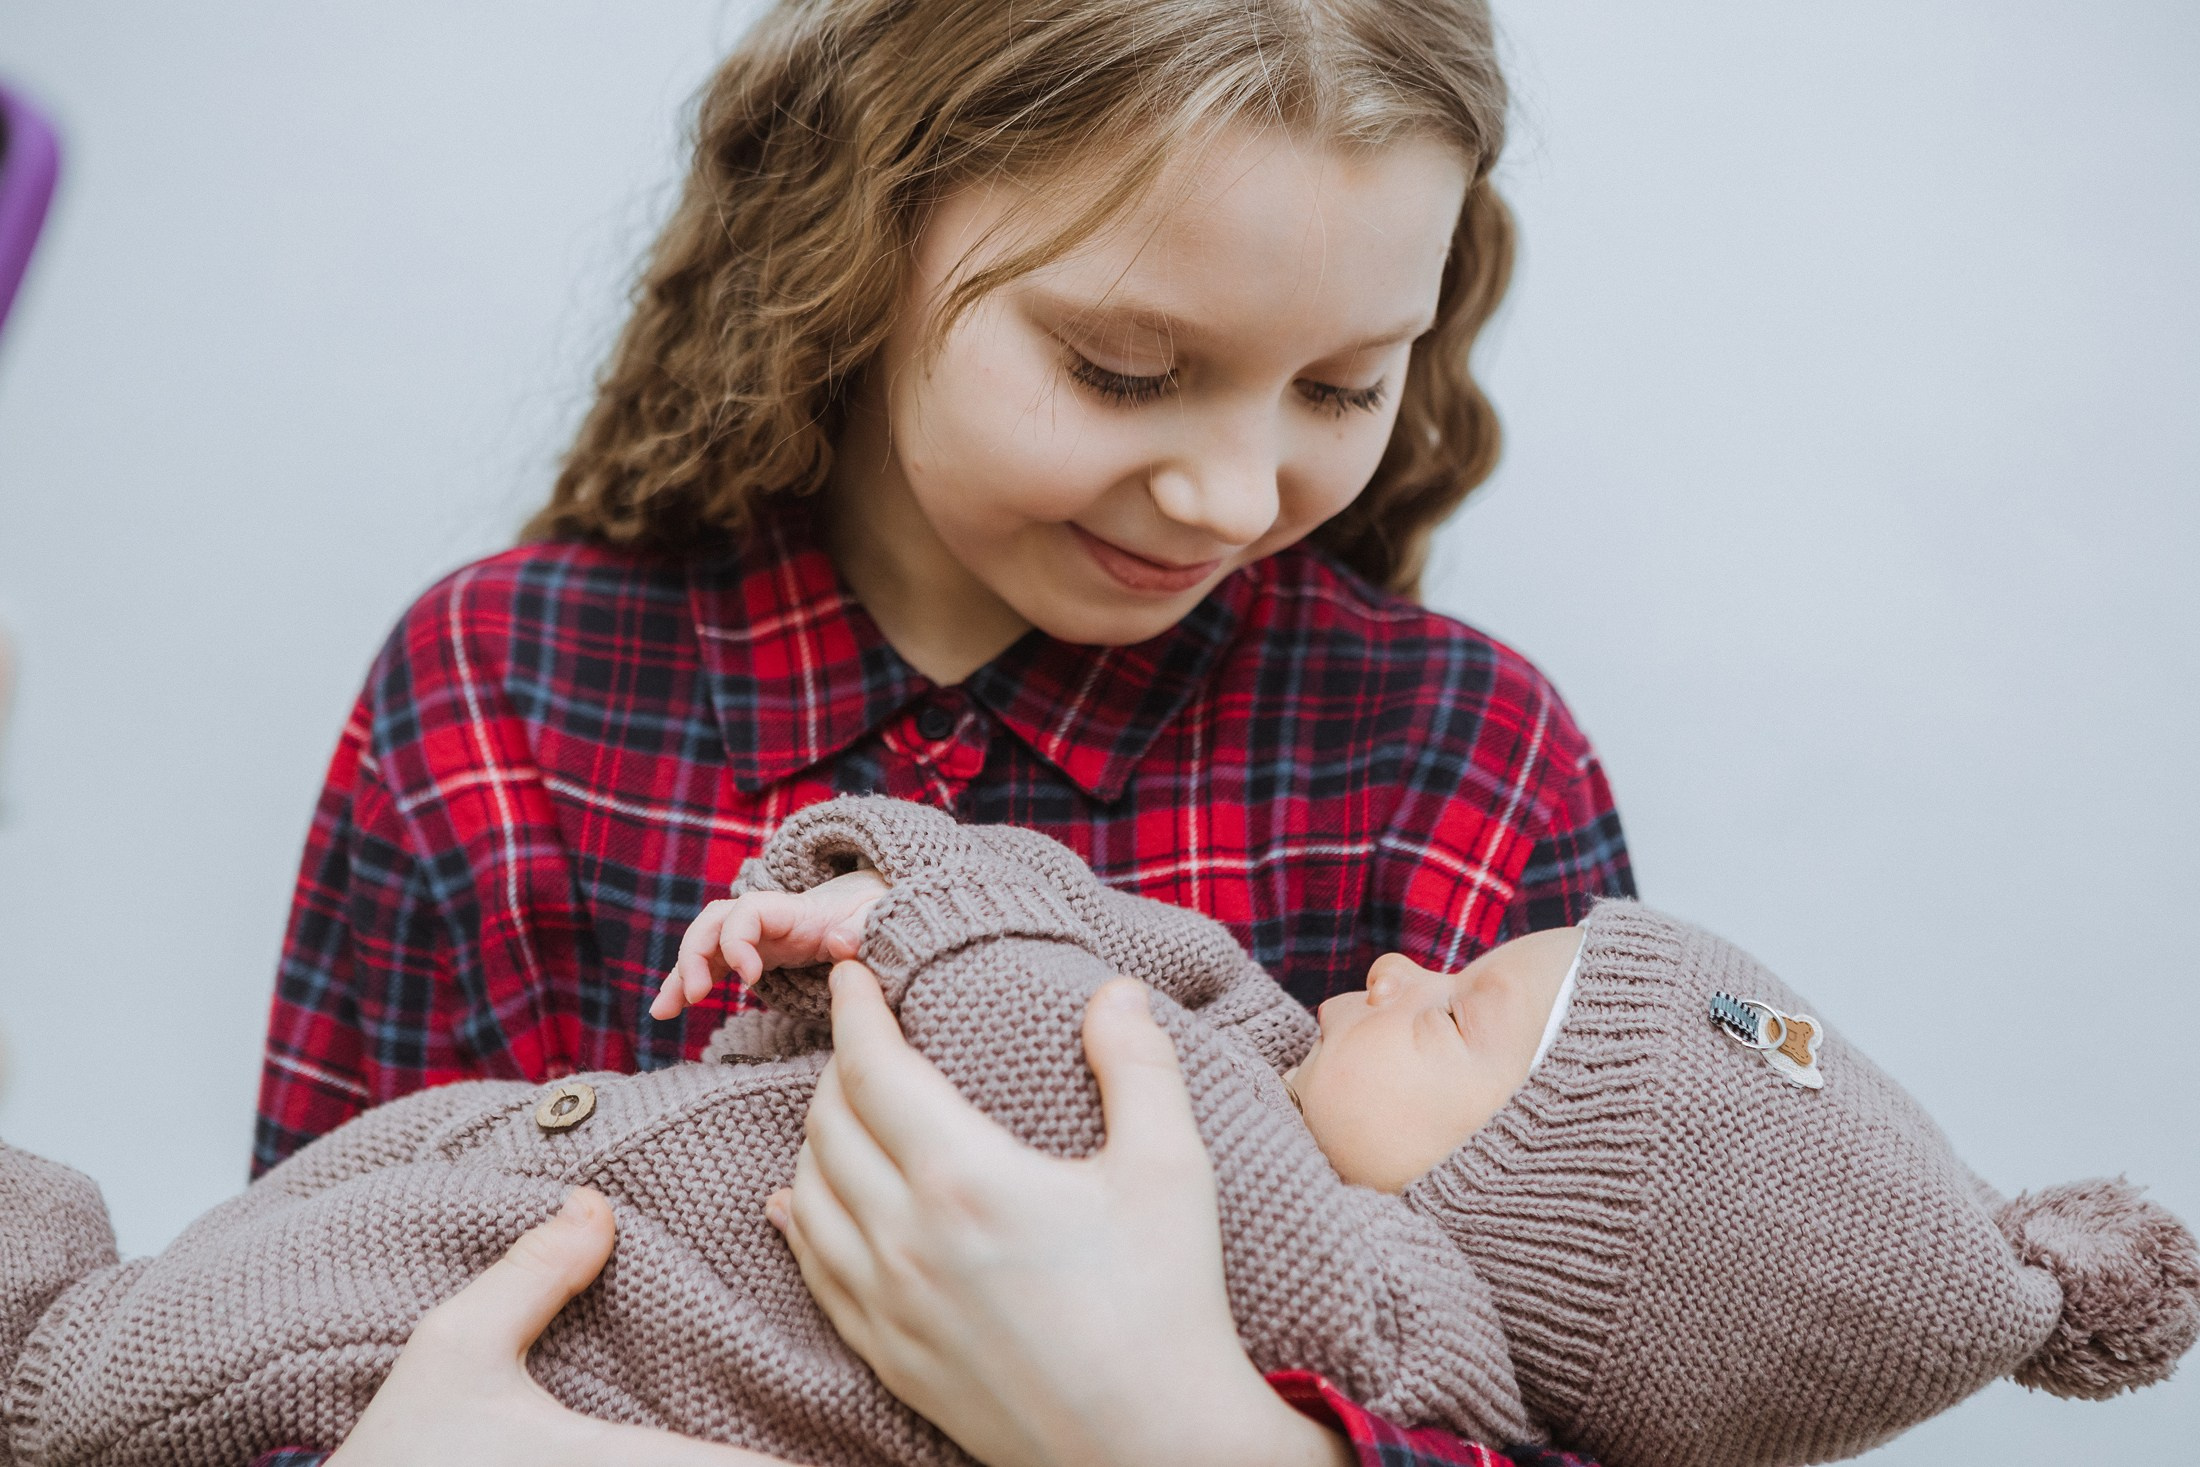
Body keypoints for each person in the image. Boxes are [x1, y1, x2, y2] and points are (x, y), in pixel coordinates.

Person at [252, 3, 1634, 1463]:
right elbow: (271, 1318)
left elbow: (1619, 1402)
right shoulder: (498, 698)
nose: (1234, 498)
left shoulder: (1469, 765)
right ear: (860, 235)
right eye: (1126, 371)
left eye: (1343, 384)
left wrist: (1189, 1435)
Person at [8, 799, 2190, 1467]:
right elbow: (1127, 949)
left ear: (1519, 1230)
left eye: (1473, 1015)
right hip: (421, 1250)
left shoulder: (1371, 1306)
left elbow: (1042, 1011)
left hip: (397, 1375)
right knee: (125, 1280)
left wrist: (922, 912)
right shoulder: (1270, 1063)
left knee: (107, 1354)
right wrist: (870, 872)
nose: (1411, 966)